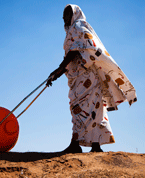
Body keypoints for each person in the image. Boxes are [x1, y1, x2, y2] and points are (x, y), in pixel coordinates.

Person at [46, 4, 137, 153]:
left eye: (67, 13)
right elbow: (71, 56)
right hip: (77, 78)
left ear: (75, 14)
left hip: (89, 76)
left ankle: (93, 145)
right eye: (63, 15)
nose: (64, 17)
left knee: (93, 108)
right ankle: (77, 144)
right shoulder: (71, 31)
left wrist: (58, 69)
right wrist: (57, 73)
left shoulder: (79, 27)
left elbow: (76, 51)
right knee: (78, 109)